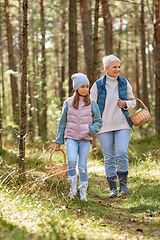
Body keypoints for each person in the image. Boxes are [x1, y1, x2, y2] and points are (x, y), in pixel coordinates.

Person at [90, 55, 136, 198]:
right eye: (114, 67)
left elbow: (133, 101)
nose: (117, 69)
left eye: (119, 67)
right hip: (104, 126)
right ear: (106, 68)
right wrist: (92, 127)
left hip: (122, 123)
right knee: (109, 157)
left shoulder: (124, 83)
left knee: (121, 152)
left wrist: (125, 104)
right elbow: (91, 107)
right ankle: (112, 189)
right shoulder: (97, 85)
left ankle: (123, 186)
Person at [54, 73, 103, 201]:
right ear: (76, 88)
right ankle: (72, 190)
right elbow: (62, 122)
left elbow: (98, 121)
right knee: (71, 161)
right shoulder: (68, 103)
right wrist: (59, 140)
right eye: (82, 86)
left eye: (87, 86)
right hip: (71, 138)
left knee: (82, 165)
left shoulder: (92, 104)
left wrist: (91, 129)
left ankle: (83, 193)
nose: (85, 89)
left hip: (85, 139)